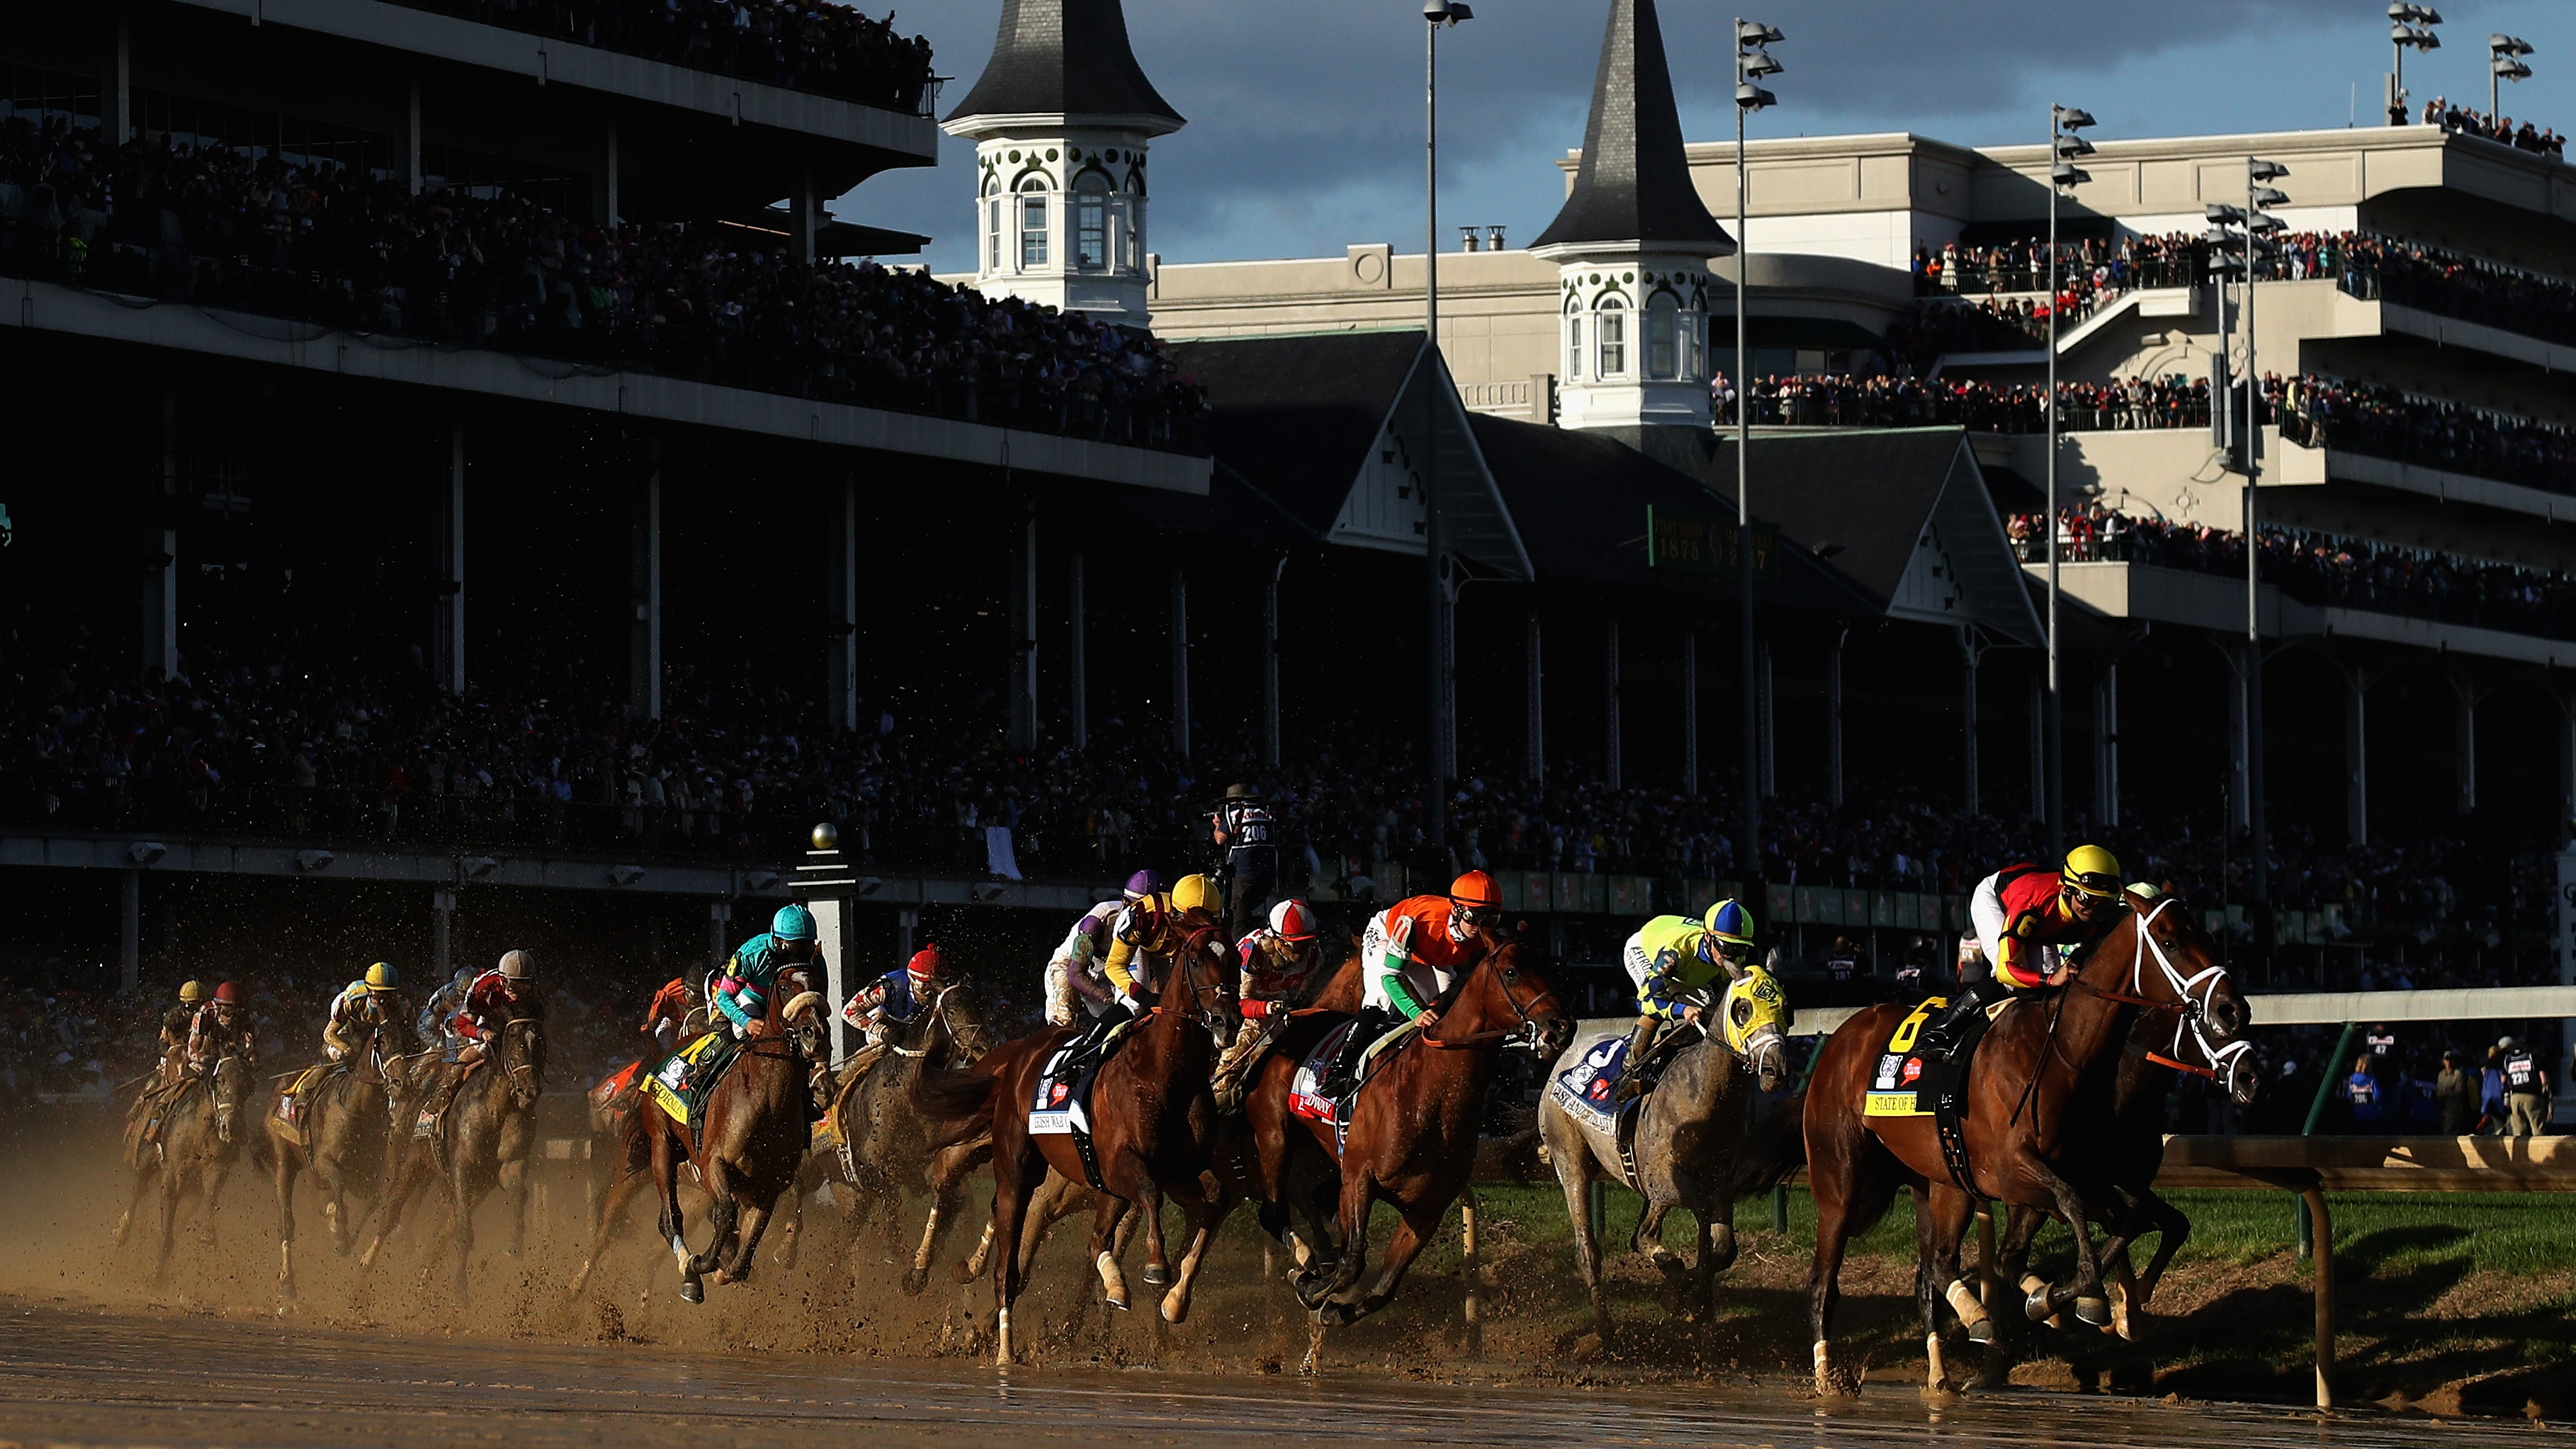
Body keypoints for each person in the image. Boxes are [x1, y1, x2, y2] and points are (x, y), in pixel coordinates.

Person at [1919, 845, 2127, 1060]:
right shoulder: (2033, 904)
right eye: (2086, 898)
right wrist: (2050, 979)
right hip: (1999, 900)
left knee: (2049, 989)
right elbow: (2005, 970)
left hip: (2043, 923)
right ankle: (1938, 1035)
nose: (2094, 908)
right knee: (2015, 980)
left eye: (2102, 902)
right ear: (2067, 889)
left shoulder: (2100, 913)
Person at [1321, 871, 1503, 1101]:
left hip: (1429, 954)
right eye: (1473, 916)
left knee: (1447, 1011)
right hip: (1389, 937)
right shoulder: (1420, 921)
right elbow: (1390, 978)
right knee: (1381, 1000)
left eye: (1490, 919)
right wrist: (1415, 1013)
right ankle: (1337, 1071)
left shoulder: (1484, 935)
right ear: (1456, 910)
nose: (1480, 926)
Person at [1611, 898, 1756, 1101]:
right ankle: (1627, 1074)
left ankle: (1662, 1052)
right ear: (1708, 938)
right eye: (1725, 947)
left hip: (1687, 967)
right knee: (1657, 1007)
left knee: (1707, 1014)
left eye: (1738, 950)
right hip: (1645, 949)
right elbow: (1646, 1001)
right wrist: (1681, 1009)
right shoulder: (1676, 952)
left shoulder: (1734, 958)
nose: (1729, 956)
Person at [1211, 898, 1326, 1110]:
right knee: (1249, 1033)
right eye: (1297, 945)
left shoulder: (1314, 956)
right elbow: (1241, 1002)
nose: (1302, 953)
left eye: (1307, 943)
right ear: (1277, 941)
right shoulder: (1252, 952)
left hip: (1276, 999)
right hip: (1231, 1000)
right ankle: (1220, 1089)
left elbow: (1305, 993)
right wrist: (1267, 1008)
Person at [1046, 870, 1158, 1027]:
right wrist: (1107, 998)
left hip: (1106, 972)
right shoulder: (1096, 924)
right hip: (1069, 966)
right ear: (1125, 903)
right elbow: (1075, 974)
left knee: (1127, 1018)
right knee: (1064, 1024)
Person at [712, 904, 824, 1041]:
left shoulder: (815, 959)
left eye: (807, 946)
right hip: (754, 1000)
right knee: (740, 1031)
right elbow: (723, 997)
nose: (799, 956)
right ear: (776, 941)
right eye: (793, 947)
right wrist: (746, 1022)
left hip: (789, 1003)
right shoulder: (752, 954)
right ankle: (709, 1057)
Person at [1210, 785, 1278, 944]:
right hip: (1268, 874)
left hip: (1243, 874)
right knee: (1262, 919)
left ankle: (1242, 962)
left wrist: (1217, 825)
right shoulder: (1266, 811)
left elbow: (1221, 839)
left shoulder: (1232, 811)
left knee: (1238, 923)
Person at [842, 945, 945, 1048]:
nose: (934, 990)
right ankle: (859, 1064)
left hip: (920, 1027)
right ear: (913, 979)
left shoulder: (946, 994)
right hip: (887, 1018)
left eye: (938, 984)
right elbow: (849, 1012)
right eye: (927, 984)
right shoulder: (887, 988)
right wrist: (881, 1030)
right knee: (880, 1048)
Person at [322, 962, 413, 1063]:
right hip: (350, 1020)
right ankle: (320, 1070)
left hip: (370, 1024)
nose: (383, 1001)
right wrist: (345, 1048)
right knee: (338, 1054)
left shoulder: (395, 1003)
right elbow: (329, 1034)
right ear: (369, 991)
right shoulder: (353, 1001)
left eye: (388, 994)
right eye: (379, 995)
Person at [417, 965, 475, 1059]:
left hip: (475, 1038)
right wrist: (439, 1044)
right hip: (446, 1040)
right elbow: (424, 1028)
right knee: (421, 1070)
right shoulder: (444, 999)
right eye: (464, 993)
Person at [2501, 1037, 2553, 1137]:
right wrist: (2546, 1096)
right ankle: (2539, 1152)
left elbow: (2503, 1080)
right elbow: (2544, 1078)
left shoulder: (2508, 1059)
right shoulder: (2533, 1057)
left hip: (2515, 1097)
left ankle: (2521, 1152)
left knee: (2519, 1131)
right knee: (2537, 1129)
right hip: (2532, 1096)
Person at [638, 974, 699, 1057]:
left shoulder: (709, 985)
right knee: (667, 1043)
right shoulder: (669, 992)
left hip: (696, 1018)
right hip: (672, 1021)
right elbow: (652, 1020)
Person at [2436, 1048, 2475, 1135]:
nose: (2448, 1062)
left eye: (2450, 1059)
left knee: (2450, 1132)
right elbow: (2438, 1088)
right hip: (2442, 1107)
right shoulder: (2441, 1074)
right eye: (2446, 1060)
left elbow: (2459, 1091)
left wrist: (2446, 1093)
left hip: (2454, 1107)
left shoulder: (2458, 1073)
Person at [2344, 1053, 2381, 1132]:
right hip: (2372, 1115)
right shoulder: (2373, 1079)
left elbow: (2349, 1096)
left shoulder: (2352, 1078)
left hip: (2357, 1114)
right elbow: (2378, 1096)